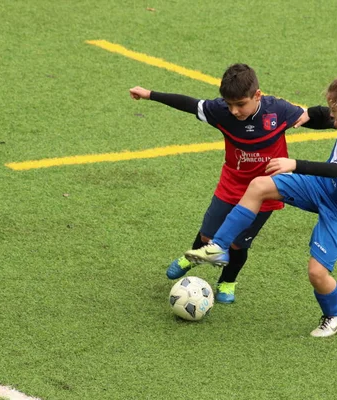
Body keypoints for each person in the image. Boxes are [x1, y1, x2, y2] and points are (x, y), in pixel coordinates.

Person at [185, 75, 337, 337]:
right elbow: (319, 115)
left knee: (316, 273)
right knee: (259, 185)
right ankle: (218, 247)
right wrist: (302, 115)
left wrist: (294, 164)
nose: (332, 117)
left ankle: (335, 315)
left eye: (335, 111)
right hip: (321, 188)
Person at [129, 63, 307, 303]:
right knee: (207, 236)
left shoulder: (279, 111)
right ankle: (190, 258)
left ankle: (227, 282)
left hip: (266, 191)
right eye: (229, 104)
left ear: (257, 95)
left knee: (237, 244)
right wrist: (150, 94)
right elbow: (189, 104)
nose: (234, 111)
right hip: (231, 185)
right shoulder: (220, 110)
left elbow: (317, 119)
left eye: (240, 104)